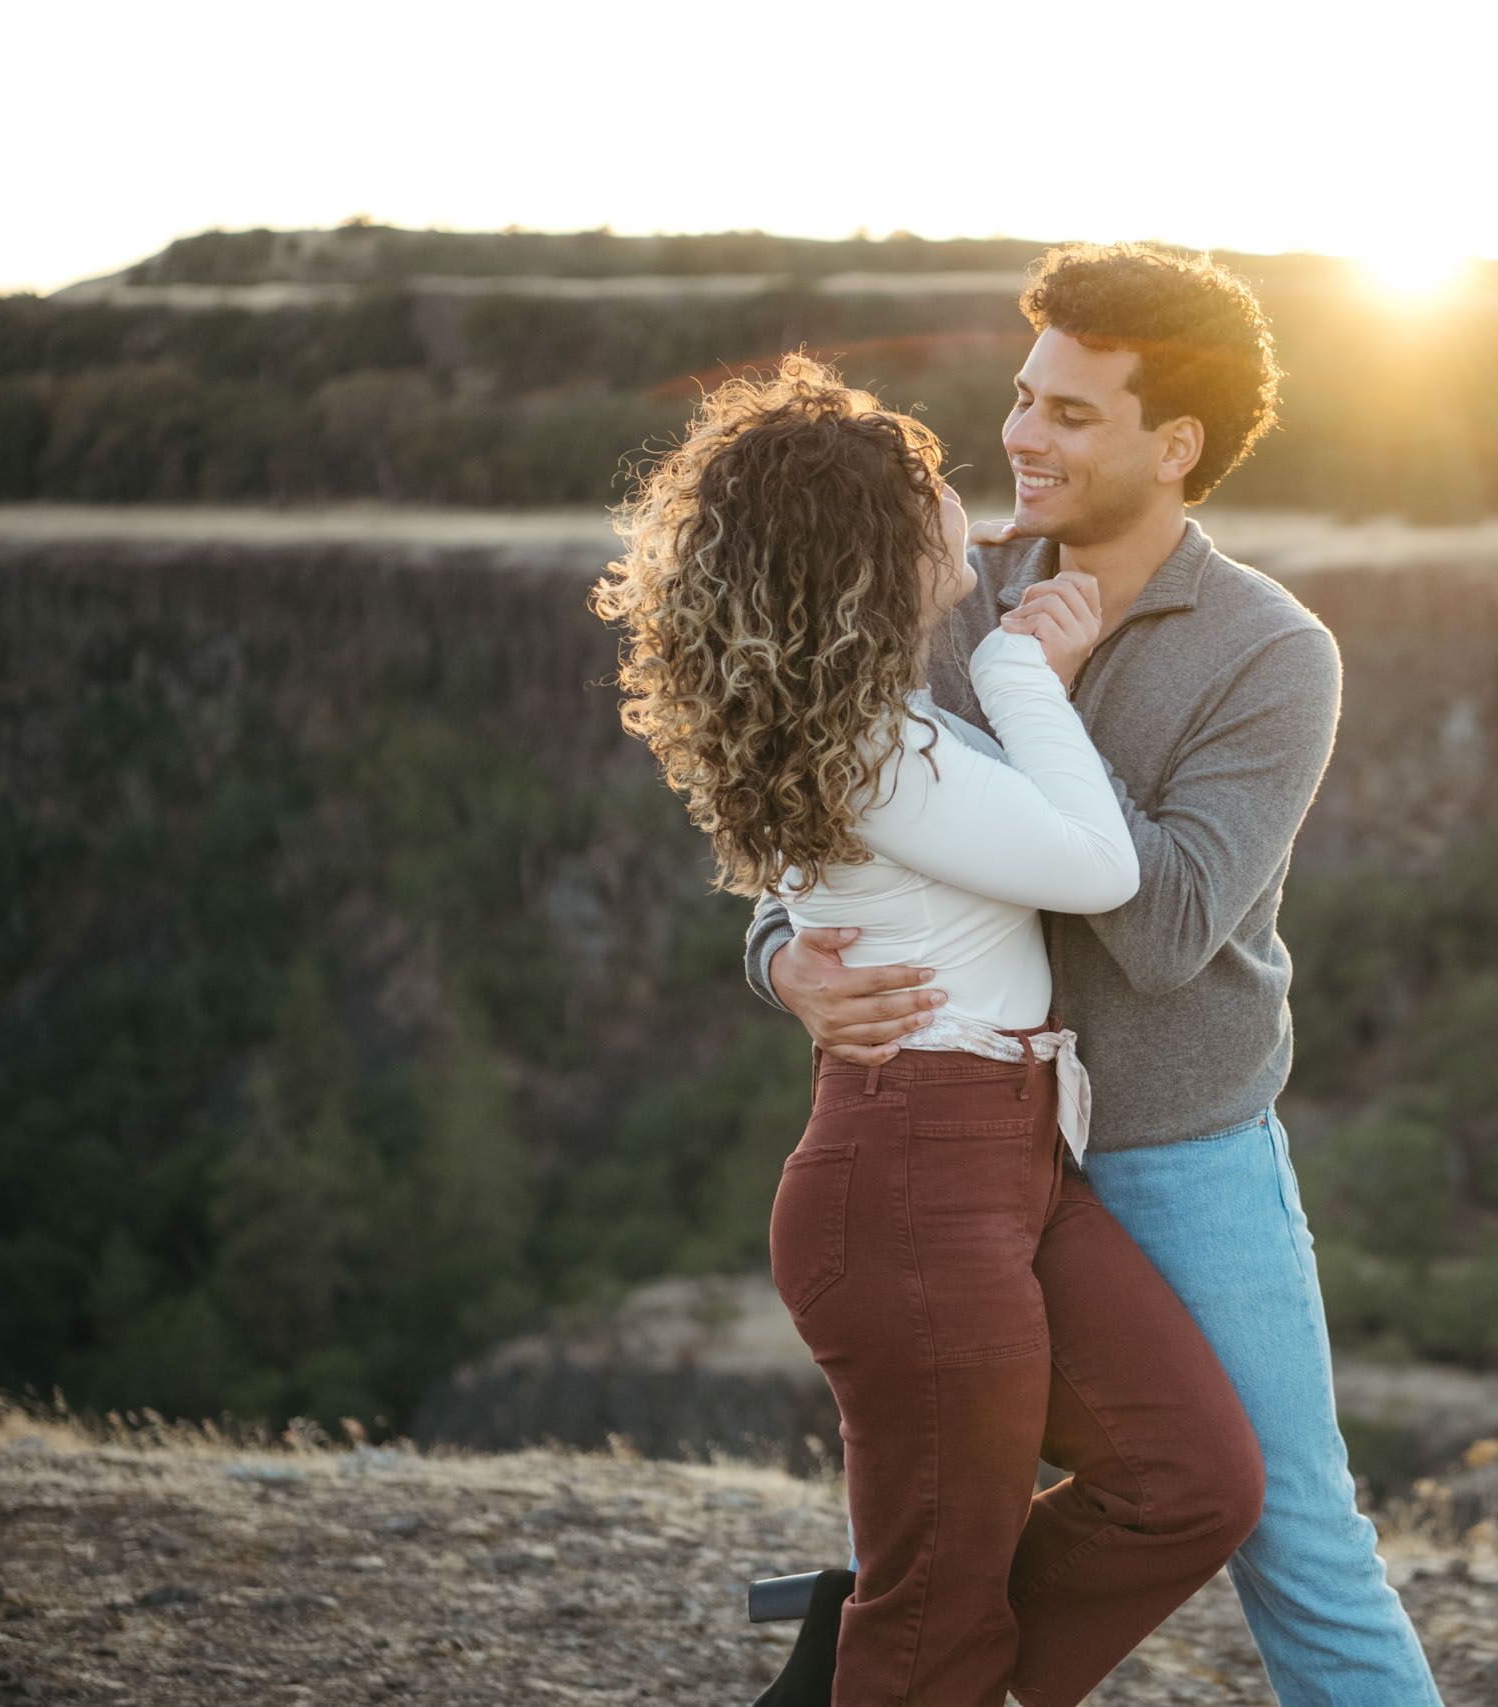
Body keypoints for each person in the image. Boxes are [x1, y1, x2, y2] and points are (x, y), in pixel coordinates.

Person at [744, 243, 1449, 1706]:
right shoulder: (948, 586)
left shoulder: (1272, 654)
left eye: (1071, 412)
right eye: (1022, 396)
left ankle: (884, 1659)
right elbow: (811, 807)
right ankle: (900, 1654)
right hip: (963, 1141)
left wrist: (1035, 694)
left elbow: (1169, 921)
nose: (1020, 436)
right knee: (963, 1517)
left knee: (1287, 1524)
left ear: (1172, 444)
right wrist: (778, 963)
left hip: (1176, 1150)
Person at [591, 350, 1264, 1707]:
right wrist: (1026, 673)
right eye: (931, 499)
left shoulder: (867, 728)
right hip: (912, 1184)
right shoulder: (873, 747)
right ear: (871, 550)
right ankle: (900, 1650)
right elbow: (1101, 870)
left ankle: (880, 1646)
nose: (965, 504)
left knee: (1192, 1480)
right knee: (938, 1617)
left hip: (1009, 1163)